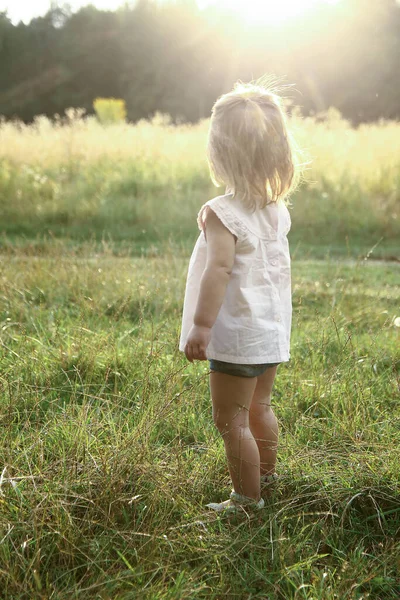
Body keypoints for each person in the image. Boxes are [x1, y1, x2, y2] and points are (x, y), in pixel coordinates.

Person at [179, 81, 299, 515]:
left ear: (220, 152)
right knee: (260, 408)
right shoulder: (275, 208)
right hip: (269, 332)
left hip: (236, 336)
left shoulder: (222, 212)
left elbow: (220, 269)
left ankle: (246, 501)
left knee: (230, 420)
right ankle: (265, 477)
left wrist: (202, 326)